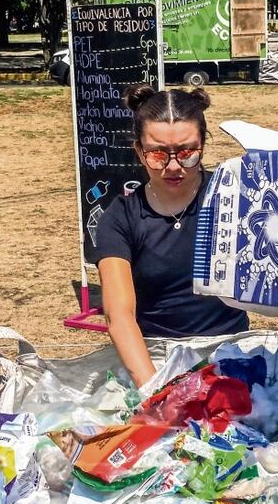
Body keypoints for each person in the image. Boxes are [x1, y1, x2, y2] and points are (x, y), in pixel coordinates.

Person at [96, 86, 248, 386]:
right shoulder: (120, 217)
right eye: (157, 154)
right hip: (154, 358)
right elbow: (119, 315)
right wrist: (157, 392)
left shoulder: (235, 197)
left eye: (187, 152)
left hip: (230, 354)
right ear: (139, 151)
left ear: (202, 145)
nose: (174, 166)